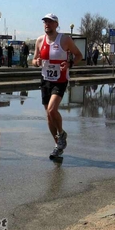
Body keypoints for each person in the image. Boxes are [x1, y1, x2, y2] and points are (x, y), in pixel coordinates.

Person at [32, 13, 82, 159]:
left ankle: (62, 133)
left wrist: (69, 64)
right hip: (45, 80)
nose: (47, 24)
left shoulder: (65, 39)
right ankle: (58, 145)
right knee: (48, 116)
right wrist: (37, 62)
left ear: (56, 24)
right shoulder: (40, 40)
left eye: (50, 22)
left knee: (52, 109)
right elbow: (34, 60)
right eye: (45, 22)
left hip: (60, 79)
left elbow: (78, 55)